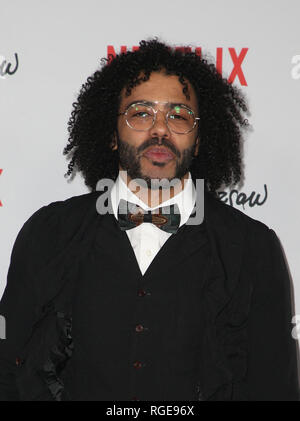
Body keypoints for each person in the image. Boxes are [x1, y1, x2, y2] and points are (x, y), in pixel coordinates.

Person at [0, 39, 299, 401]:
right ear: (112, 134)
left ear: (200, 139)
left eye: (179, 115)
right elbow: (10, 373)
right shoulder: (48, 234)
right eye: (141, 113)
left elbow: (274, 386)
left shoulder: (253, 248)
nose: (160, 130)